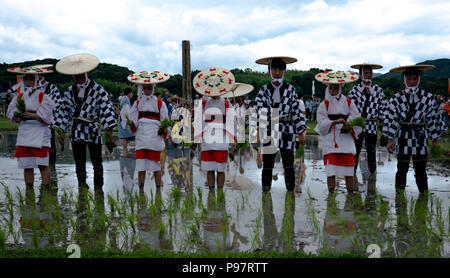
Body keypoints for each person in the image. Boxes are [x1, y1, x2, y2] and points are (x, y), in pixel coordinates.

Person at [53, 53, 117, 189]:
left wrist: (110, 135)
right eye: (76, 75)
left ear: (87, 72)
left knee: (96, 160)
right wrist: (61, 132)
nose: (79, 77)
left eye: (82, 74)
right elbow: (63, 112)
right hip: (76, 128)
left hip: (93, 128)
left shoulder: (98, 90)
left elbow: (107, 111)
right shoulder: (69, 91)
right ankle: (82, 187)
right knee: (79, 160)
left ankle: (99, 189)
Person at [383, 65, 447, 194]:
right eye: (409, 78)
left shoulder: (428, 98)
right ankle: (399, 198)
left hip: (420, 137)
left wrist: (435, 141)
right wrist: (390, 140)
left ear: (420, 79)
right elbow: (391, 119)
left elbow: (433, 119)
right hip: (402, 137)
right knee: (402, 169)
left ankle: (423, 196)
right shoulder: (396, 98)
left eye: (414, 78)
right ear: (404, 80)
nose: (412, 81)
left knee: (420, 170)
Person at [253, 56, 306, 192]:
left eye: (280, 70)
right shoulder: (263, 90)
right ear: (269, 71)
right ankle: (266, 193)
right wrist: (256, 134)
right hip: (270, 129)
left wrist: (301, 132)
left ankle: (290, 192)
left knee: (288, 163)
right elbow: (259, 113)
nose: (277, 73)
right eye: (274, 69)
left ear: (284, 72)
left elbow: (296, 112)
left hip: (287, 129)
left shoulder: (290, 89)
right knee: (268, 164)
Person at [6, 66, 56, 189]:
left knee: (43, 165)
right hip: (25, 134)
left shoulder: (43, 96)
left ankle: (46, 191)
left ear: (36, 80)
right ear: (23, 81)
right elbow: (11, 113)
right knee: (27, 166)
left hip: (40, 135)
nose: (28, 82)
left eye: (31, 79)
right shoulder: (18, 97)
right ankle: (29, 193)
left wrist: (34, 116)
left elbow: (48, 117)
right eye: (26, 79)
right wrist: (17, 117)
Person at [314, 70, 362, 193]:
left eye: (335, 88)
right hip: (331, 140)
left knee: (349, 170)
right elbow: (321, 121)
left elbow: (357, 118)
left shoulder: (349, 102)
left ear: (340, 88)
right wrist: (334, 122)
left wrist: (348, 124)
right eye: (330, 88)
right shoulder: (324, 104)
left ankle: (350, 195)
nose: (332, 91)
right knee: (331, 170)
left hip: (346, 140)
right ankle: (331, 196)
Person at [192, 67, 237, 190]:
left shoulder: (226, 104)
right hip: (207, 140)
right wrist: (195, 139)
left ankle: (220, 191)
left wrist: (233, 139)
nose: (214, 91)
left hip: (221, 140)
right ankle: (211, 192)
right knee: (209, 168)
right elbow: (198, 121)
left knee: (221, 169)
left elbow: (232, 122)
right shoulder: (204, 103)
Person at [127, 70, 170, 189]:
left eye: (149, 88)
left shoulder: (160, 103)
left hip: (154, 138)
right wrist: (131, 124)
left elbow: (165, 120)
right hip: (141, 139)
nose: (147, 91)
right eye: (145, 88)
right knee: (141, 167)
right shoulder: (137, 103)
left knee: (156, 166)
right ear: (142, 88)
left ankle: (158, 190)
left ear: (153, 89)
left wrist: (163, 128)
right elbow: (133, 120)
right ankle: (141, 190)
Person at [348, 63, 387, 175]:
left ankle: (372, 176)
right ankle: (352, 174)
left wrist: (382, 123)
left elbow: (383, 107)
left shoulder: (378, 90)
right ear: (360, 75)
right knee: (355, 150)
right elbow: (350, 107)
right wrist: (351, 123)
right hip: (358, 125)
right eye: (365, 73)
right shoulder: (355, 90)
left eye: (370, 73)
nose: (368, 75)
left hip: (372, 125)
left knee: (372, 150)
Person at [119, 87, 135, 157]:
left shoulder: (124, 99)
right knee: (125, 138)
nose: (132, 95)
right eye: (132, 93)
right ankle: (125, 157)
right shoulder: (126, 100)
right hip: (125, 120)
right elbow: (126, 111)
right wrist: (128, 120)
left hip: (123, 120)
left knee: (125, 138)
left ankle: (125, 155)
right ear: (129, 93)